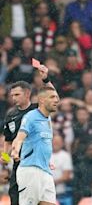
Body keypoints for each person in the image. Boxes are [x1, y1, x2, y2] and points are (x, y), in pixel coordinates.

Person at [2, 65, 53, 205]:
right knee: (15, 198)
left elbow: (53, 96)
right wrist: (5, 158)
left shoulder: (38, 110)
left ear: (27, 94)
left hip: (36, 163)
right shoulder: (10, 115)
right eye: (12, 95)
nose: (13, 98)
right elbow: (7, 140)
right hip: (19, 165)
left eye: (17, 94)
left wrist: (46, 78)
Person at [11, 86, 60, 205]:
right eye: (52, 97)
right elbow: (19, 138)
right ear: (42, 100)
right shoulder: (31, 116)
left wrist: (46, 160)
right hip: (31, 170)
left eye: (56, 97)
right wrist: (15, 151)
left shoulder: (47, 119)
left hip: (46, 171)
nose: (56, 100)